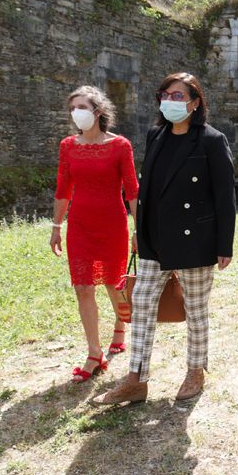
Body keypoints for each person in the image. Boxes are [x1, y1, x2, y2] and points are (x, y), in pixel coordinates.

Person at [93, 73, 236, 405]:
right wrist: (139, 231)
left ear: (195, 102)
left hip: (195, 240)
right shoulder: (156, 135)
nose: (170, 101)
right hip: (154, 239)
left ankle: (195, 371)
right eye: (165, 95)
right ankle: (136, 379)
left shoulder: (212, 140)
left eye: (178, 96)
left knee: (195, 310)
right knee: (142, 303)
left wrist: (224, 244)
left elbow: (224, 196)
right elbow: (149, 190)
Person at [49, 86, 138, 383]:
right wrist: (56, 227)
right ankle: (94, 353)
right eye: (73, 108)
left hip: (112, 225)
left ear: (98, 111)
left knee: (114, 284)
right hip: (80, 227)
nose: (76, 113)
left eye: (82, 107)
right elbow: (63, 188)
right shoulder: (68, 146)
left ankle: (120, 328)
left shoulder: (120, 145)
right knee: (83, 288)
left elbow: (132, 190)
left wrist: (139, 229)